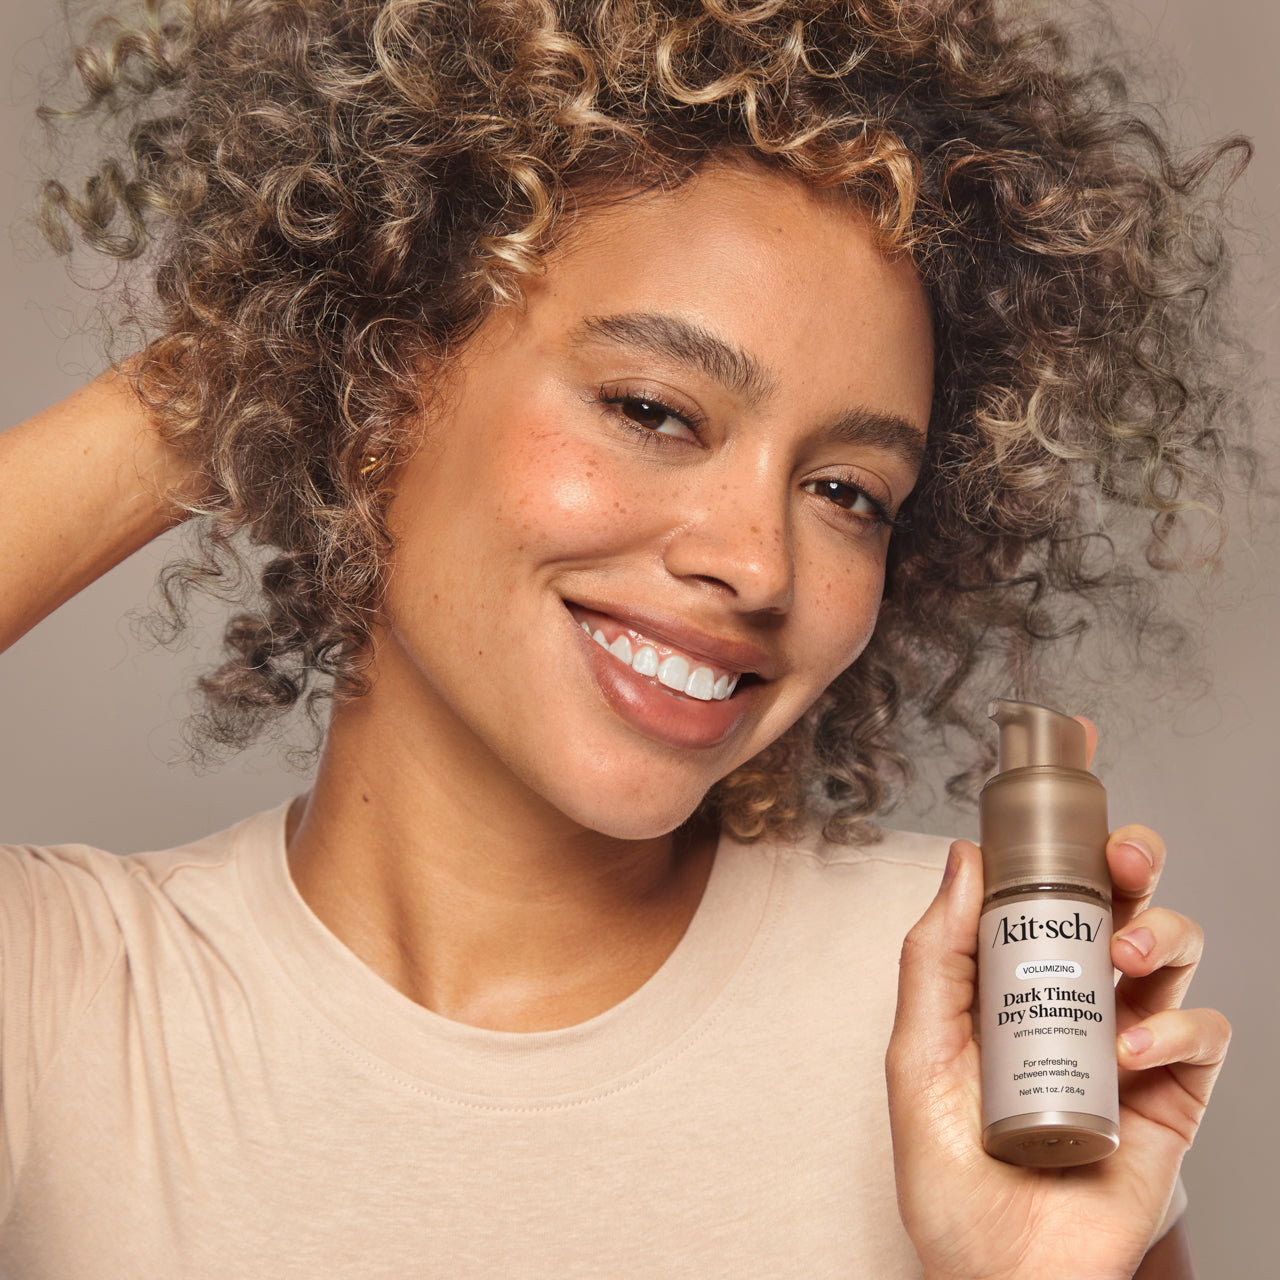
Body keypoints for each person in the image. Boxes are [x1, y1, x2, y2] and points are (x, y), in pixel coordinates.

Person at [0, 1, 1246, 1275]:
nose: (758, 564)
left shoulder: (984, 1008)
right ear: (380, 383)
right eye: (652, 409)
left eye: (845, 491)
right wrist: (266, 352)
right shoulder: (65, 998)